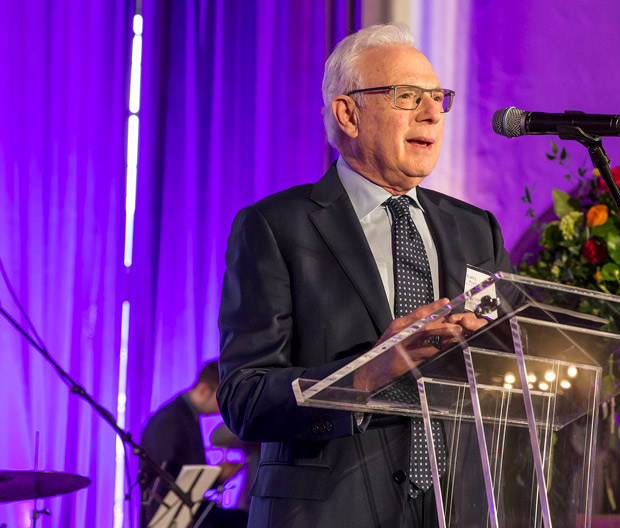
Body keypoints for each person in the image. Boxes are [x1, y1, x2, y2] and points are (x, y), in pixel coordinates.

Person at [217, 22, 511, 528]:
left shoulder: (476, 229)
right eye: (407, 96)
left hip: (458, 510)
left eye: (438, 97)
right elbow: (245, 398)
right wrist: (369, 372)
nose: (432, 112)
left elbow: (509, 356)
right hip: (330, 512)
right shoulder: (275, 226)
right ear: (348, 113)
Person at [139, 360, 246, 527]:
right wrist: (217, 476)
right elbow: (167, 479)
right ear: (204, 390)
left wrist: (216, 475)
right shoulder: (170, 420)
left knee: (243, 518)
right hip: (168, 516)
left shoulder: (184, 414)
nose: (222, 408)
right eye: (221, 399)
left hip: (184, 509)